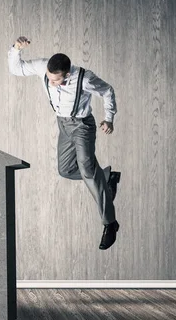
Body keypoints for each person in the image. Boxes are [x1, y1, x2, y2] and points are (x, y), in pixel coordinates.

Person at [8, 36, 121, 250]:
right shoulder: (44, 68)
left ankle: (110, 223)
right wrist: (16, 49)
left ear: (67, 74)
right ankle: (107, 178)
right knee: (65, 169)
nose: (51, 82)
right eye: (49, 78)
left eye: (56, 80)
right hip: (63, 124)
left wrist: (109, 118)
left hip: (82, 126)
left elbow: (107, 91)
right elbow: (17, 68)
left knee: (87, 171)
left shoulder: (84, 79)